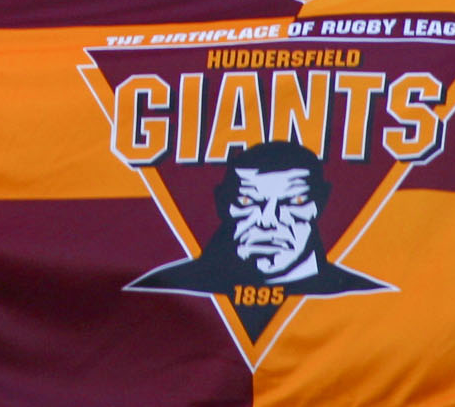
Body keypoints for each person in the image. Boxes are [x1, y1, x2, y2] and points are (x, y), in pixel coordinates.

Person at [130, 140, 385, 333]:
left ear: (320, 203)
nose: (267, 220)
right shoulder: (159, 291)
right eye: (248, 201)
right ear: (223, 203)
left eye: (294, 201)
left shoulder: (372, 300)